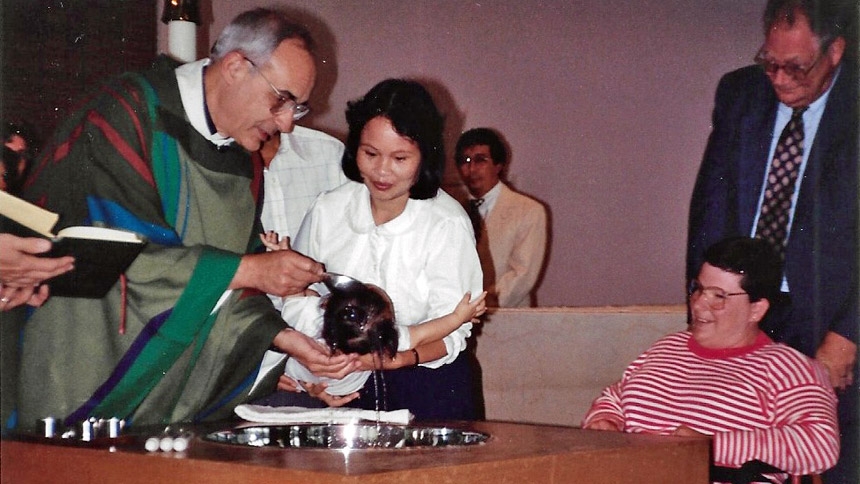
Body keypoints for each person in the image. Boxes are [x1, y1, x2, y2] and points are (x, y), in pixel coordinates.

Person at [11, 8, 359, 431]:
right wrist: (252, 270)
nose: (286, 123)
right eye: (281, 100)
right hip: (78, 372)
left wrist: (281, 337)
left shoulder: (243, 163)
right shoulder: (128, 113)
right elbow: (107, 250)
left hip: (168, 401)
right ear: (234, 67)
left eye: (297, 108)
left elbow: (238, 281)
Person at [686, 1, 857, 481]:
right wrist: (707, 305)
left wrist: (849, 336)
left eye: (796, 67)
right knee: (737, 456)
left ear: (836, 51)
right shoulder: (740, 93)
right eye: (770, 62)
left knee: (830, 459)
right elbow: (710, 212)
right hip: (744, 308)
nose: (779, 80)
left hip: (832, 319)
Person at [275, 79, 485, 420]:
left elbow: (454, 333)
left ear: (424, 156)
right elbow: (298, 296)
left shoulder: (445, 222)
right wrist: (314, 375)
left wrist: (398, 358)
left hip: (426, 382)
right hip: (346, 382)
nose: (382, 171)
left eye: (400, 158)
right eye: (370, 153)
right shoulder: (329, 210)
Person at [584, 237, 839, 482]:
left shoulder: (788, 367)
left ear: (756, 309)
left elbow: (820, 444)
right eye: (699, 289)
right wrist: (605, 420)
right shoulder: (666, 347)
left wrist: (712, 445)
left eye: (718, 296)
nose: (698, 305)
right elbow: (615, 397)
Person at [454, 127, 547, 307]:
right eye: (465, 161)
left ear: (498, 165)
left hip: (506, 317)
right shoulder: (452, 209)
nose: (471, 168)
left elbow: (523, 274)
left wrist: (482, 303)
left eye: (480, 160)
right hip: (455, 319)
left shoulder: (529, 210)